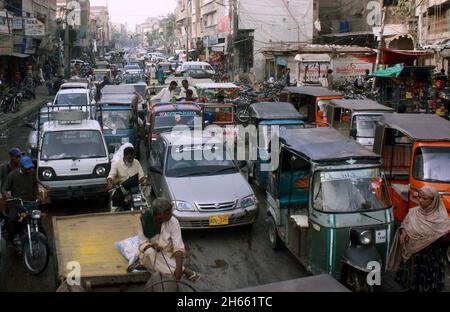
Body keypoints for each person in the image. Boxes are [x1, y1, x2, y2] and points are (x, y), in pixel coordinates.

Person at [128, 198, 200, 281]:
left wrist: (179, 267)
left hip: (169, 254)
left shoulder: (173, 221)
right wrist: (152, 246)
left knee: (157, 261)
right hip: (151, 254)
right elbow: (142, 243)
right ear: (157, 215)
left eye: (170, 212)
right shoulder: (145, 221)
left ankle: (145, 266)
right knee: (150, 253)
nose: (170, 215)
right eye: (167, 213)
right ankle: (185, 270)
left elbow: (178, 246)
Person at [387, 186, 450, 272]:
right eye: (419, 197)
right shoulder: (413, 212)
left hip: (429, 259)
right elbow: (404, 224)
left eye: (424, 198)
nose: (420, 200)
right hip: (412, 258)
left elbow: (444, 237)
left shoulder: (441, 218)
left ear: (434, 200)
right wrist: (404, 232)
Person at [2, 156, 39, 244]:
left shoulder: (32, 173)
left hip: (30, 203)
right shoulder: (12, 175)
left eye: (30, 168)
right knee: (12, 218)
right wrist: (7, 195)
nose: (29, 170)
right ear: (21, 167)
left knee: (38, 219)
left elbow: (35, 185)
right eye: (27, 168)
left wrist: (37, 196)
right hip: (16, 203)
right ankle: (12, 237)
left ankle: (45, 246)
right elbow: (4, 189)